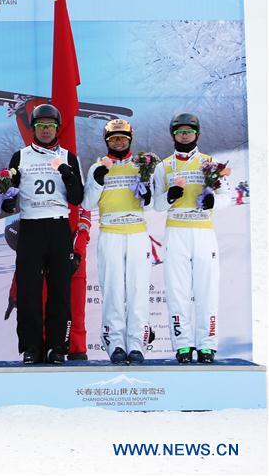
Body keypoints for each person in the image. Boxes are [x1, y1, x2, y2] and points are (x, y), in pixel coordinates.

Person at [1, 103, 83, 364]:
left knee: (60, 290)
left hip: (58, 227)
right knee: (28, 291)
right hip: (31, 227)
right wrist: (5, 200)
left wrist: (69, 178)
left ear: (57, 128)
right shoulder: (20, 156)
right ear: (33, 129)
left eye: (50, 126)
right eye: (40, 126)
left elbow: (77, 197)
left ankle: (58, 347)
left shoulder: (68, 157)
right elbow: (9, 195)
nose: (45, 130)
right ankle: (31, 347)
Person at [153, 113, 228, 364]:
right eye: (179, 131)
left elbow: (226, 196)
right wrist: (170, 197)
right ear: (173, 135)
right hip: (176, 232)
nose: (184, 135)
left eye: (189, 131)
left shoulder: (211, 163)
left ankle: (207, 344)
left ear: (197, 134)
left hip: (203, 232)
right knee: (178, 291)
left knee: (207, 289)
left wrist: (213, 200)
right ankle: (183, 345)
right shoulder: (163, 166)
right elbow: (157, 205)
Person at [82, 119, 153, 365]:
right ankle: (115, 344)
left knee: (137, 289)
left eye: (123, 138)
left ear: (130, 140)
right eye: (114, 139)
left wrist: (148, 190)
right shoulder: (96, 167)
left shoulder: (142, 165)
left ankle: (136, 344)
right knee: (112, 289)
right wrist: (100, 178)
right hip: (110, 233)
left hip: (136, 233)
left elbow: (152, 204)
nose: (119, 142)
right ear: (107, 142)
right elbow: (87, 204)